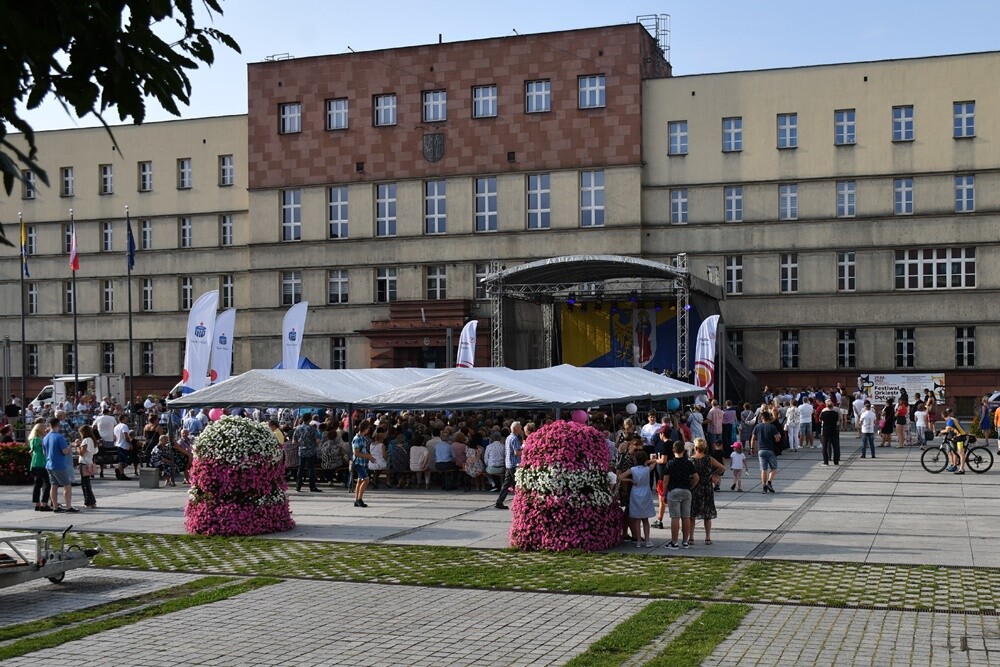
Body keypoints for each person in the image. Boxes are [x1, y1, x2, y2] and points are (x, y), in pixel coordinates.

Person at [662, 440, 698, 549]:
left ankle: (674, 542)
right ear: (684, 450)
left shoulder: (670, 463)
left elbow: (665, 480)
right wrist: (690, 486)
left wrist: (664, 493)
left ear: (673, 450)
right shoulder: (688, 463)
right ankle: (685, 541)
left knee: (675, 517)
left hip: (674, 491)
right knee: (686, 516)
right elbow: (696, 477)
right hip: (686, 491)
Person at [690, 438, 726, 545]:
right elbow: (723, 468)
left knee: (692, 514)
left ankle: (691, 537)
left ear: (695, 448)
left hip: (695, 487)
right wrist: (713, 473)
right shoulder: (709, 459)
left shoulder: (691, 460)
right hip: (707, 487)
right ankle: (707, 537)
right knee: (707, 514)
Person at [617, 450, 656, 548]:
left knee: (637, 520)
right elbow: (655, 462)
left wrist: (630, 480)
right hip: (645, 492)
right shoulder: (647, 469)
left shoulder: (632, 469)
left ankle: (638, 540)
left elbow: (620, 477)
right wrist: (650, 460)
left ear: (635, 459)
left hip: (635, 492)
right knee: (645, 519)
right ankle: (647, 540)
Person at [44, 418, 78, 513]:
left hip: (49, 464)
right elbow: (65, 451)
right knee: (67, 485)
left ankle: (55, 506)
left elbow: (44, 451)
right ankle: (68, 506)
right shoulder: (59, 437)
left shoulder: (46, 437)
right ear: (58, 425)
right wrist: (70, 448)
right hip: (59, 464)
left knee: (53, 485)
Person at [495, 421, 524, 510]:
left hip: (508, 463)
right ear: (516, 429)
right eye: (520, 428)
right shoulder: (515, 439)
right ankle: (520, 503)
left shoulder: (508, 437)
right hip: (514, 464)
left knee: (506, 484)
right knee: (518, 484)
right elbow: (516, 452)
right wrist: (524, 450)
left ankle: (499, 501)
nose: (521, 429)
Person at [750, 410, 780, 493]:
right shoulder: (772, 427)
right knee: (773, 468)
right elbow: (777, 439)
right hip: (770, 450)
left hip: (761, 450)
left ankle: (764, 487)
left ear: (761, 418)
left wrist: (752, 448)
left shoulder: (757, 427)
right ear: (769, 418)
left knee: (763, 469)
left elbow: (753, 439)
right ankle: (769, 481)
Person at [293, 414, 322, 493]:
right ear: (309, 419)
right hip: (311, 451)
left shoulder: (297, 428)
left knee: (300, 469)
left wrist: (300, 444)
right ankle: (312, 487)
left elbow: (294, 442)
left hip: (301, 451)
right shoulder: (312, 429)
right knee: (311, 469)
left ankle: (298, 486)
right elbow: (317, 441)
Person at [29, 420, 52, 511]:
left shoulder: (32, 440)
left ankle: (36, 503)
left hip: (34, 463)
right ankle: (44, 503)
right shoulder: (39, 440)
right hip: (41, 462)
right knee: (47, 484)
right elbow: (45, 450)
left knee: (37, 484)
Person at [352, 421, 376, 505]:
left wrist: (369, 457)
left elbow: (364, 450)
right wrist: (368, 456)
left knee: (359, 481)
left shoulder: (363, 438)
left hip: (362, 462)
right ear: (365, 429)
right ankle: (359, 499)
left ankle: (356, 499)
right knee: (366, 479)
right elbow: (356, 453)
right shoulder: (357, 439)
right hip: (358, 462)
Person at [940, 408, 968, 474]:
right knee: (954, 450)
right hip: (958, 436)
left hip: (961, 437)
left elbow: (947, 430)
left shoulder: (950, 421)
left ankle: (962, 469)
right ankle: (956, 464)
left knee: (961, 453)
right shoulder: (951, 419)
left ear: (943, 416)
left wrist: (940, 431)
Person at [77, 424, 98, 507]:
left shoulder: (86, 440)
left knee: (85, 484)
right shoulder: (92, 440)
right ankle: (92, 501)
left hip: (84, 462)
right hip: (89, 461)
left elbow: (82, 453)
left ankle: (88, 501)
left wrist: (77, 445)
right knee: (87, 483)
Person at [819, 399, 841, 465]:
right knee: (835, 446)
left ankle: (826, 461)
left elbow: (820, 419)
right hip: (834, 430)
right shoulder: (835, 413)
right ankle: (836, 461)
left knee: (825, 447)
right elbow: (839, 418)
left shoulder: (824, 412)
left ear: (826, 406)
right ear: (833, 406)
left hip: (825, 431)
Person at [113, 413, 133, 480]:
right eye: (126, 418)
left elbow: (115, 437)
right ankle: (121, 473)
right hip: (123, 445)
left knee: (123, 460)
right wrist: (130, 444)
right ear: (123, 419)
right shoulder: (124, 426)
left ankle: (119, 470)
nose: (127, 419)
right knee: (124, 460)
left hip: (118, 444)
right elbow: (126, 436)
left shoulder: (116, 427)